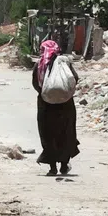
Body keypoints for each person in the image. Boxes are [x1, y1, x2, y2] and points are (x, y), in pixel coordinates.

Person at [32, 38, 79, 176]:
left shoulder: (40, 64)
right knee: (65, 133)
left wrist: (45, 95)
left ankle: (52, 168)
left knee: (48, 135)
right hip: (66, 105)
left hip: (46, 106)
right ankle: (64, 165)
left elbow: (35, 83)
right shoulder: (65, 63)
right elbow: (74, 78)